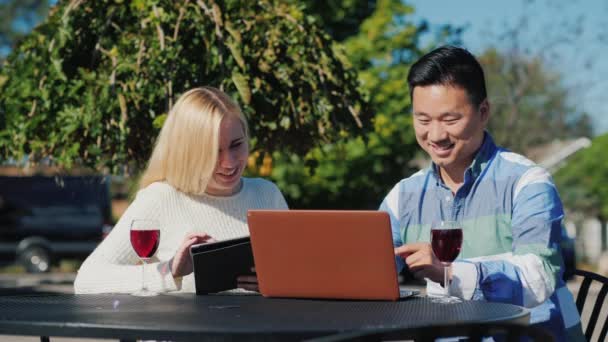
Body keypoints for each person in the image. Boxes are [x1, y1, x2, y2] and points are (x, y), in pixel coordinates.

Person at [380, 46, 584, 341]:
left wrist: (449, 273)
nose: (435, 136)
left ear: (483, 112)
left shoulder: (527, 182)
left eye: (450, 120)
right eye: (423, 120)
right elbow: (370, 273)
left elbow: (538, 277)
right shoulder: (403, 196)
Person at [74, 87, 288, 294]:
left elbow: (300, 275)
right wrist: (170, 272)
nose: (229, 162)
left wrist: (279, 283)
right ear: (187, 153)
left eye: (236, 145)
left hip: (260, 330)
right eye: (213, 151)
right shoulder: (160, 198)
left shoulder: (267, 194)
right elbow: (87, 279)